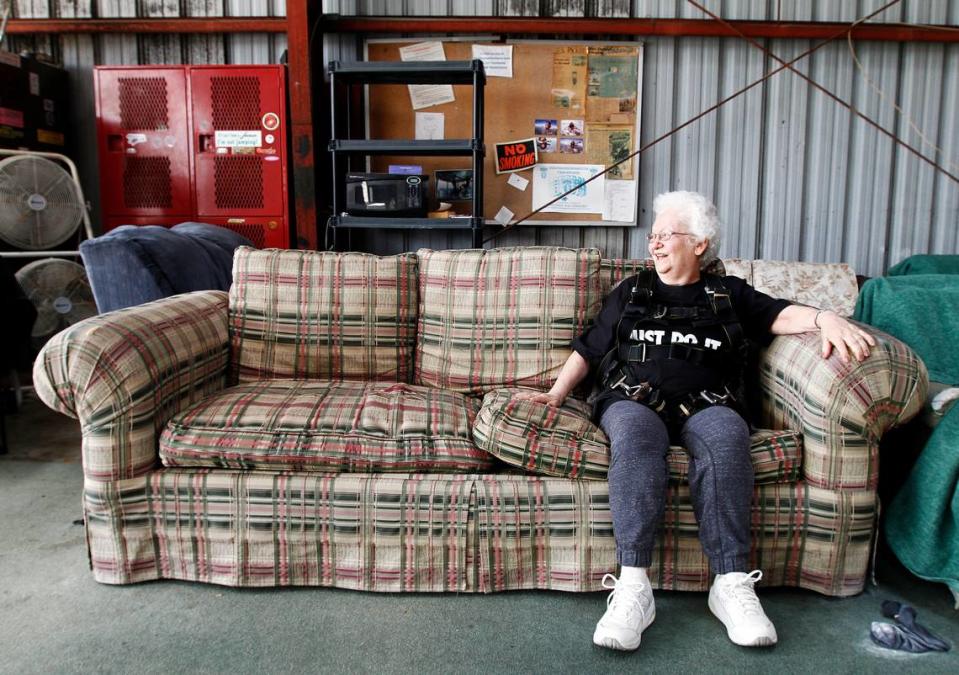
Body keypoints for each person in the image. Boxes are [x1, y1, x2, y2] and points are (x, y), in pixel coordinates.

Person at [515, 190, 875, 652]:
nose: (656, 244)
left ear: (700, 242)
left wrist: (826, 319)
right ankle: (633, 587)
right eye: (654, 236)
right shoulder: (631, 291)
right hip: (634, 401)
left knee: (727, 440)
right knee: (635, 438)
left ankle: (730, 583)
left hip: (710, 404)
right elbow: (589, 348)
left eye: (667, 235)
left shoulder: (729, 294)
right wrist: (555, 394)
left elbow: (782, 314)